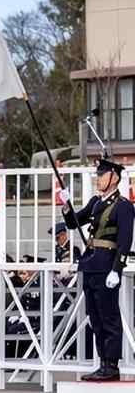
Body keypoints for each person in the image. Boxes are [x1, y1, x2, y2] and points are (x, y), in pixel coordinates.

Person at [63, 157, 134, 382]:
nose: (98, 179)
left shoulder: (123, 206)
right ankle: (102, 362)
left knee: (108, 316)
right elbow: (75, 222)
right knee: (95, 316)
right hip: (91, 264)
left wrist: (117, 269)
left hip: (107, 267)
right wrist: (66, 206)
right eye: (98, 175)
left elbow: (124, 241)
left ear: (113, 178)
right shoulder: (96, 202)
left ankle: (111, 364)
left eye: (102, 175)